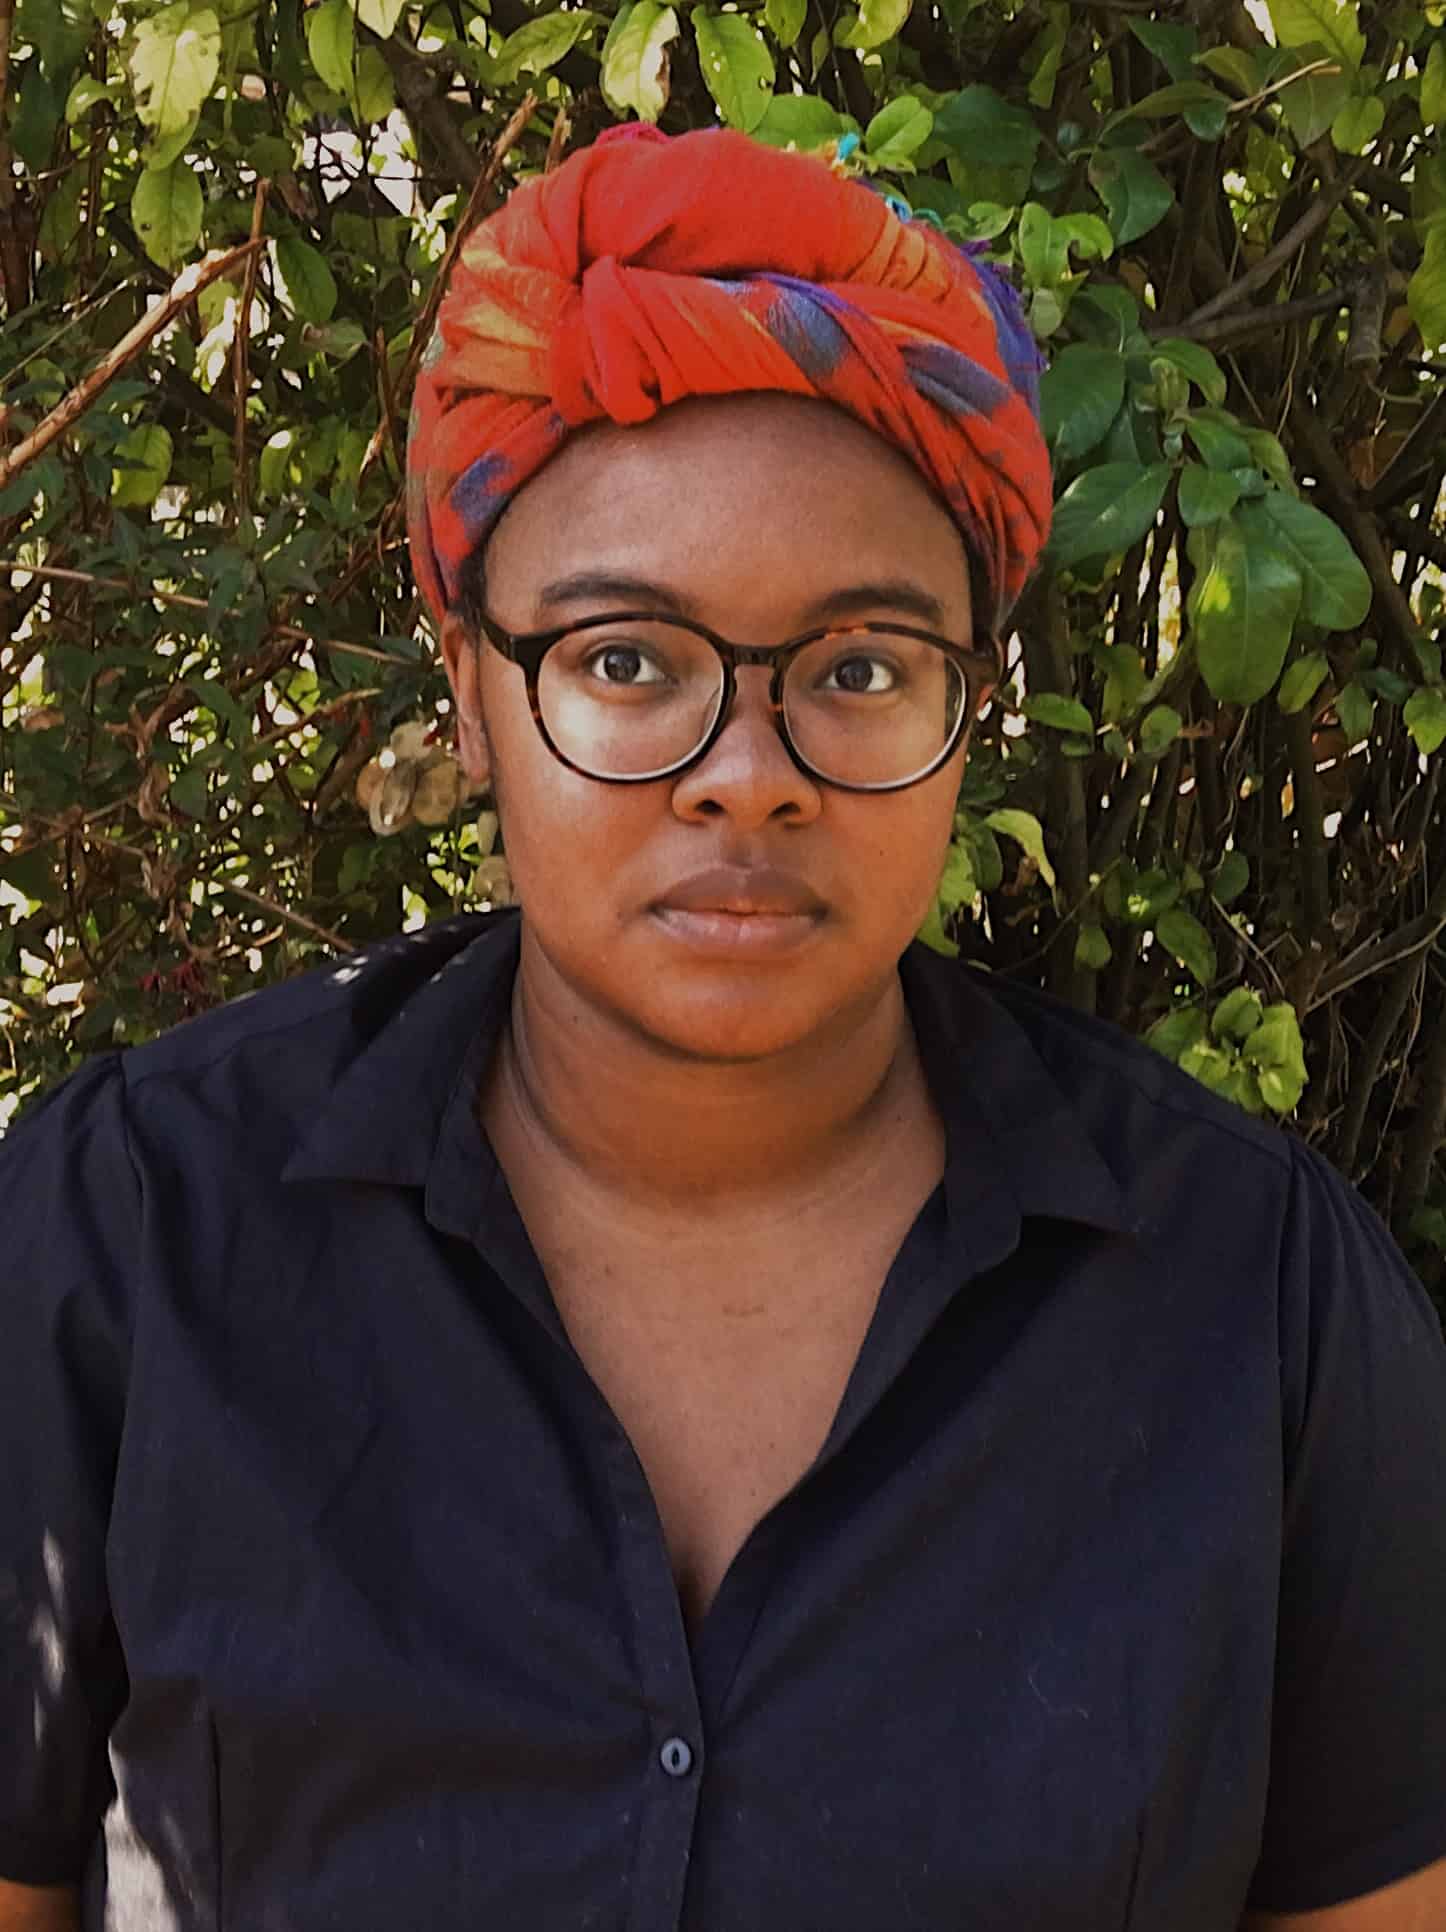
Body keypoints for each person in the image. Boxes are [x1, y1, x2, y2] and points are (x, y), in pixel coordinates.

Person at [1, 125, 1443, 1932]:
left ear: (965, 708)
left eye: (854, 669)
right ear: (471, 686)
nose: (744, 781)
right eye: (625, 661)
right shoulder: (131, 1234)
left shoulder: (1256, 1297)